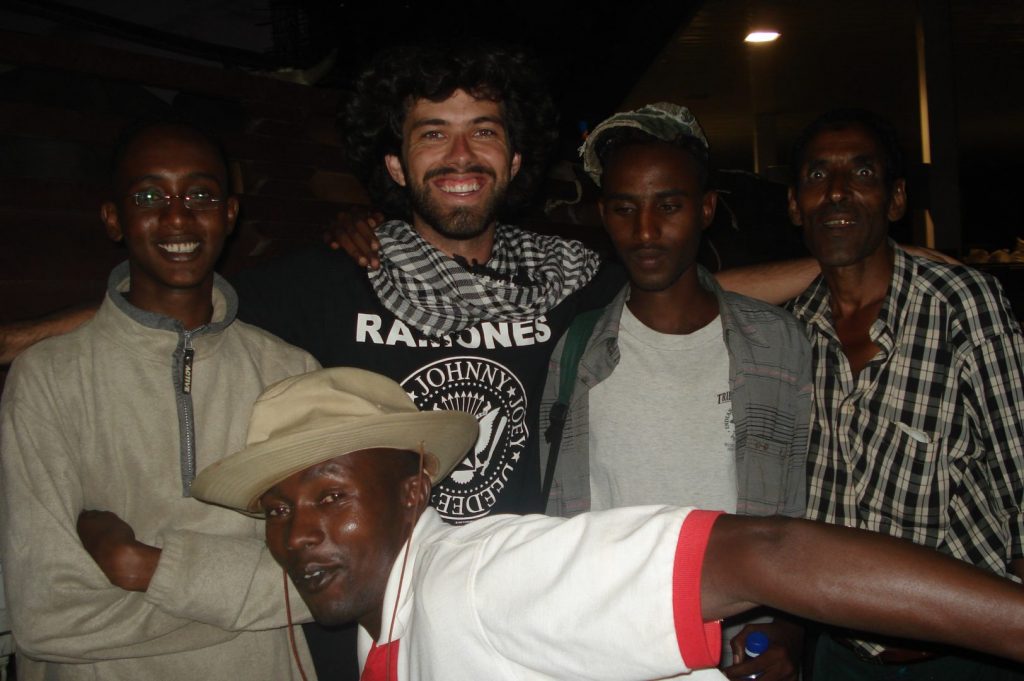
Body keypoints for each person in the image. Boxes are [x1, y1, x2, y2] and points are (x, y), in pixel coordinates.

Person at [192, 366, 1024, 681]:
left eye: (330, 493)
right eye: (277, 507)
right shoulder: (386, 628)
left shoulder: (482, 580)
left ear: (414, 491)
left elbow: (769, 550)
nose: (297, 532)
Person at [0, 121, 321, 680]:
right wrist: (248, 598)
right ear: (113, 219)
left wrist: (141, 565)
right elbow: (46, 615)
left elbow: (325, 578)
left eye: (200, 195)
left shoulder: (290, 373)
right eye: (149, 196)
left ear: (229, 214)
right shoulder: (46, 380)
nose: (177, 217)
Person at [540, 103, 811, 681]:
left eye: (669, 205)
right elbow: (559, 520)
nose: (645, 231)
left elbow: (798, 510)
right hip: (604, 650)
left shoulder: (777, 346)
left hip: (738, 649)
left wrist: (785, 634)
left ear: (706, 208)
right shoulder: (575, 350)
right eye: (623, 208)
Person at [786, 108, 1024, 680]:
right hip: (840, 652)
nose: (838, 193)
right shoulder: (788, 335)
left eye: (861, 174)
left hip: (963, 654)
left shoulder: (959, 305)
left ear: (895, 201)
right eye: (818, 177)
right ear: (795, 205)